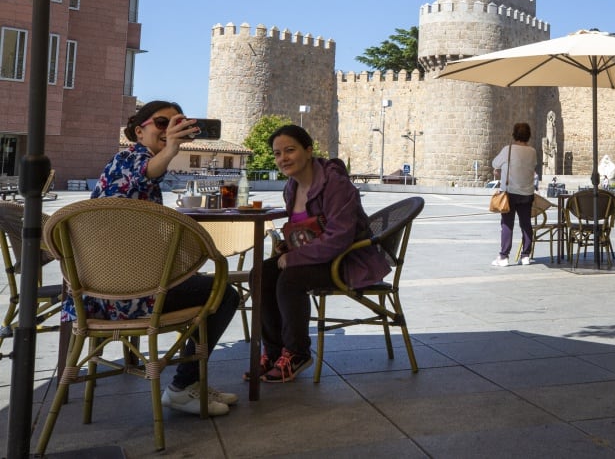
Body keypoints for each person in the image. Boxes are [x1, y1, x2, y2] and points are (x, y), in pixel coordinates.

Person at [67, 101, 241, 416]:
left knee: (204, 288)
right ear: (139, 130)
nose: (169, 130)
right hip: (128, 296)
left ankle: (191, 383)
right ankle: (182, 387)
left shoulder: (128, 164)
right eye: (162, 123)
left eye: (179, 124)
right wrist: (172, 148)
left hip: (100, 293)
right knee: (224, 293)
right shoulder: (130, 158)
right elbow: (146, 172)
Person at [256, 124, 390, 383]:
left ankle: (297, 353)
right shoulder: (291, 188)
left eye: (290, 150)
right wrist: (289, 247)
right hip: (317, 258)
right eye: (277, 153)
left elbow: (339, 237)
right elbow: (307, 230)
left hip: (348, 259)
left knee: (290, 279)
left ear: (308, 150)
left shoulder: (336, 185)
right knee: (260, 273)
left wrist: (294, 257)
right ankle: (273, 352)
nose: (283, 158)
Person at [491, 122, 538, 267]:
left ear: (514, 134)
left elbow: (495, 164)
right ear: (528, 135)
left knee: (507, 224)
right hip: (527, 192)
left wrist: (500, 171)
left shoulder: (508, 149)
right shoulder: (532, 151)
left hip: (510, 193)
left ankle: (504, 257)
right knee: (526, 224)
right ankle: (525, 256)